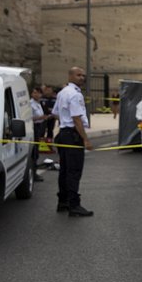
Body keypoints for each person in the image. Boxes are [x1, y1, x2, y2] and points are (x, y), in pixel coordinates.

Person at [52, 67, 94, 217]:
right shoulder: (75, 94)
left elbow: (55, 113)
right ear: (70, 76)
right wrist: (85, 139)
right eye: (79, 75)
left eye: (83, 75)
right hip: (73, 135)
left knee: (64, 170)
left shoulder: (62, 92)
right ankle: (74, 205)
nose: (82, 78)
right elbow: (77, 118)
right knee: (74, 171)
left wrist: (64, 122)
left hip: (64, 133)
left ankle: (62, 201)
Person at [30, 86, 47, 182]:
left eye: (38, 93)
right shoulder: (30, 103)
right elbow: (29, 117)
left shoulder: (39, 103)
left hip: (39, 127)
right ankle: (33, 173)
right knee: (34, 151)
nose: (36, 94)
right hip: (33, 127)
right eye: (34, 92)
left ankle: (34, 172)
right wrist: (40, 117)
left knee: (37, 151)